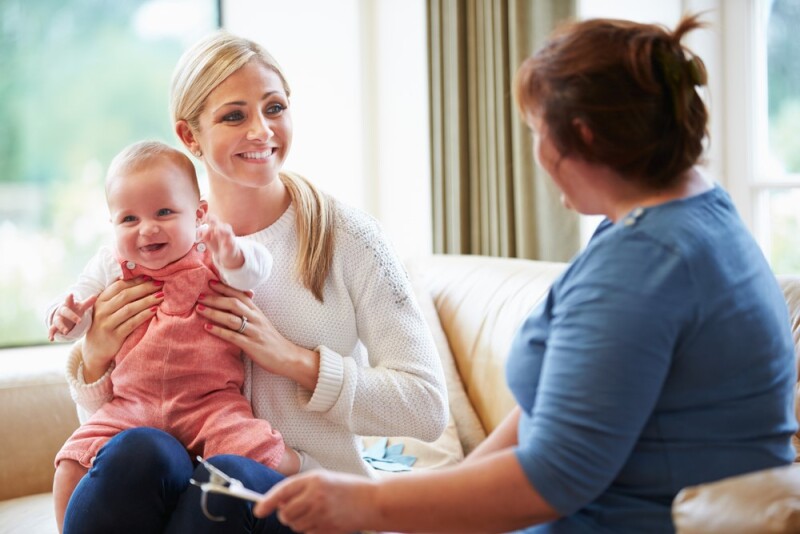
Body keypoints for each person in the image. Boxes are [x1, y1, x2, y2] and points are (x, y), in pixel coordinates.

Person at [253, 14, 798, 533]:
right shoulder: (689, 214)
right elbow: (547, 417)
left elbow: (551, 478)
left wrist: (367, 504)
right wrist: (440, 497)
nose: (535, 152)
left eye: (537, 130)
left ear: (580, 136)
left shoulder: (643, 268)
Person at [60, 30, 448, 533]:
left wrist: (294, 361)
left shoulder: (348, 238)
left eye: (275, 107)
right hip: (175, 489)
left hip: (302, 494)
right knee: (138, 451)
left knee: (224, 483)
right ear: (189, 136)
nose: (262, 130)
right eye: (234, 115)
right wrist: (93, 360)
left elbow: (427, 409)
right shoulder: (150, 239)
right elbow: (108, 426)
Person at [47, 140, 309, 532]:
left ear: (200, 214)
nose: (147, 229)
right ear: (113, 224)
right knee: (72, 461)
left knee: (256, 450)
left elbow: (256, 270)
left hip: (208, 403)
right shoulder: (111, 264)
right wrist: (65, 315)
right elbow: (81, 305)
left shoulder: (213, 254)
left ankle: (299, 466)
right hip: (131, 406)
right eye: (129, 219)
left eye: (164, 212)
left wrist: (233, 255)